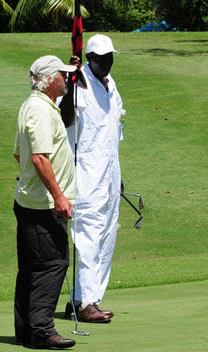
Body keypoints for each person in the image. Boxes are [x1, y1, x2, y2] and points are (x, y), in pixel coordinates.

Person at [13, 55, 78, 349]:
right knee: (51, 265)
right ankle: (41, 330)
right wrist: (59, 195)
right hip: (44, 206)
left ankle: (27, 330)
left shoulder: (34, 106)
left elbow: (20, 155)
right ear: (51, 79)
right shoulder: (40, 110)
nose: (65, 79)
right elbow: (39, 157)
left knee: (31, 267)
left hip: (33, 202)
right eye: (62, 75)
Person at [59, 34, 124, 324]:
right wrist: (71, 82)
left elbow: (113, 133)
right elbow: (65, 119)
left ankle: (88, 298)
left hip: (110, 172)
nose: (107, 63)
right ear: (89, 59)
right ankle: (85, 302)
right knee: (88, 234)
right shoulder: (77, 85)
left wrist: (119, 175)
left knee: (107, 234)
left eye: (110, 57)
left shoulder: (111, 86)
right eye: (101, 59)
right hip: (85, 173)